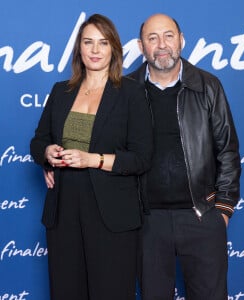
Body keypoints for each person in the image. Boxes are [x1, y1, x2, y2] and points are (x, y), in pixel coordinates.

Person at [30, 14, 153, 300]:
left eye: (103, 42)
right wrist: (47, 154)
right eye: (88, 42)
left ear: (114, 50)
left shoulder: (131, 93)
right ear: (79, 49)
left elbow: (141, 158)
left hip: (111, 214)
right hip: (63, 211)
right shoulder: (61, 91)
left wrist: (92, 159)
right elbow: (38, 142)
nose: (95, 50)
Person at [128, 14, 241, 300]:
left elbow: (227, 149)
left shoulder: (208, 86)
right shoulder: (125, 90)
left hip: (201, 216)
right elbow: (102, 140)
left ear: (181, 40)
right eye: (152, 38)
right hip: (147, 221)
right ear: (141, 46)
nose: (161, 44)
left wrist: (223, 209)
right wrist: (49, 156)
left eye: (168, 36)